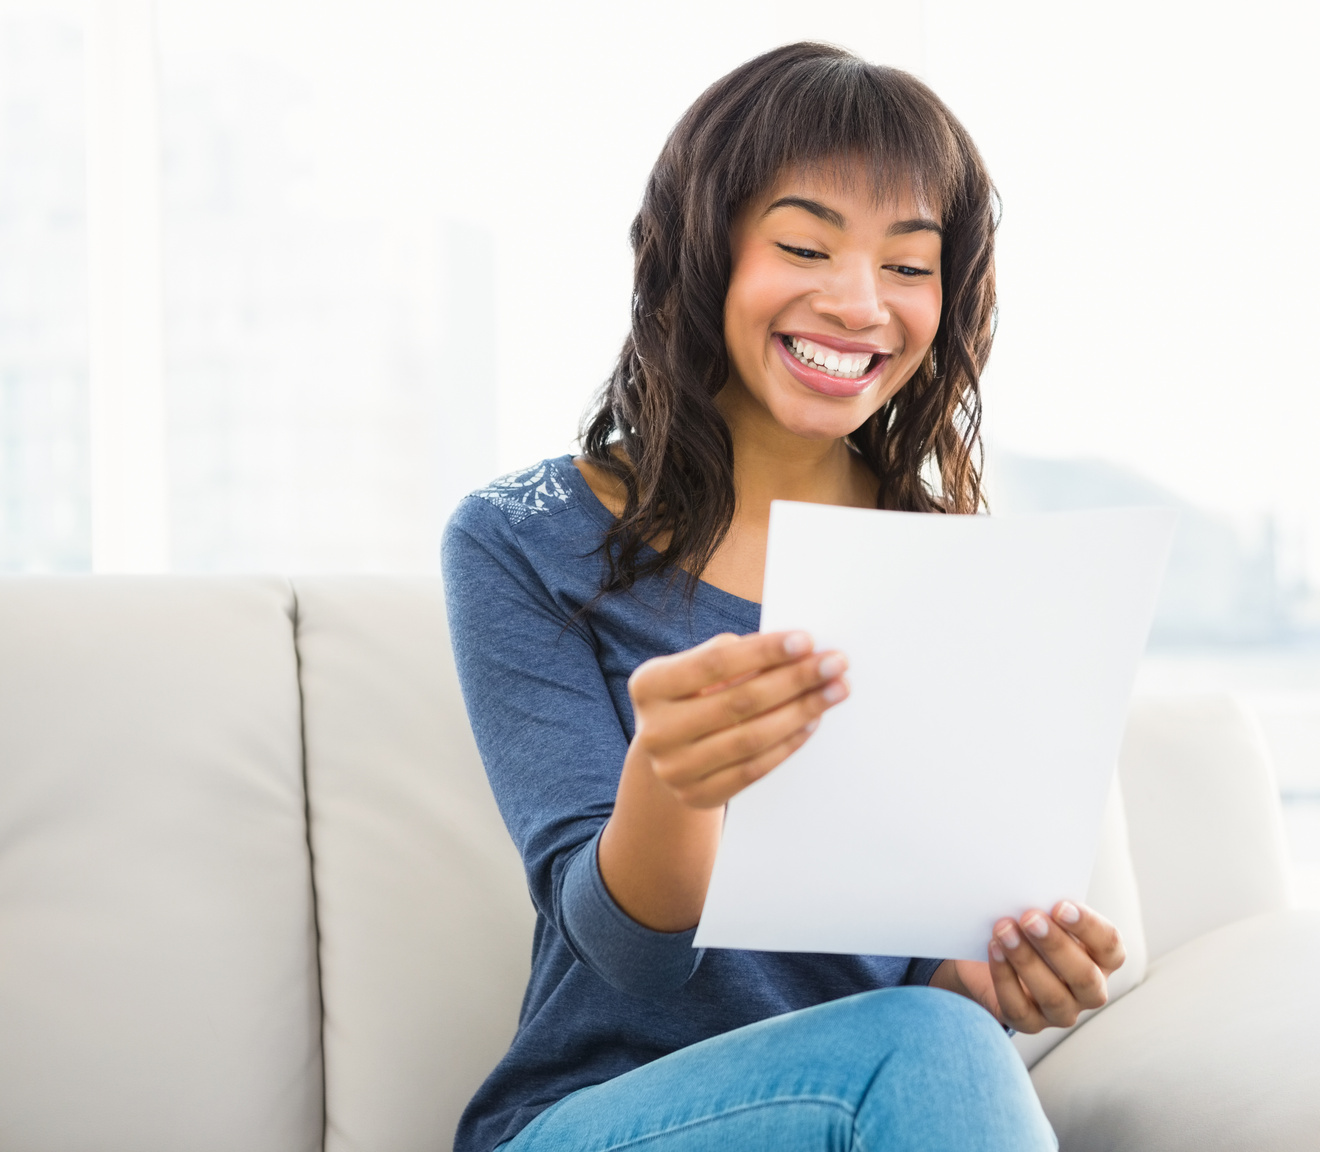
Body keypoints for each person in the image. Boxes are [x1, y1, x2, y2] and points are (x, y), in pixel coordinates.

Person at [442, 42, 1124, 1152]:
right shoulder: (525, 539)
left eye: (909, 266)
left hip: (865, 1107)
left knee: (952, 1041)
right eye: (805, 245)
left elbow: (912, 997)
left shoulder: (951, 568)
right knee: (938, 1051)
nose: (860, 304)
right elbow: (628, 956)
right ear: (701, 253)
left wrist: (991, 977)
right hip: (597, 1124)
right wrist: (671, 779)